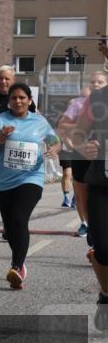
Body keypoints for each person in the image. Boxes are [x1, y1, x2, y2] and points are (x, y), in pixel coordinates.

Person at [0, 84, 61, 289]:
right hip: (2, 182)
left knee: (19, 219)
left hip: (31, 178)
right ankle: (20, 262)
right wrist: (0, 139)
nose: (18, 101)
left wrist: (54, 148)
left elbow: (56, 140)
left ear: (29, 100)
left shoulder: (40, 121)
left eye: (22, 98)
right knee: (10, 227)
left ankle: (17, 267)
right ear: (9, 101)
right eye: (14, 98)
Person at [60, 40, 108, 331]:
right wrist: (84, 147)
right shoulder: (99, 99)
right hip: (103, 183)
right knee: (103, 248)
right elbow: (77, 133)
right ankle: (105, 294)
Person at [60, 72, 108, 240]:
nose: (95, 84)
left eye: (99, 82)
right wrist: (80, 136)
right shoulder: (80, 102)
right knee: (82, 191)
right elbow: (63, 126)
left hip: (101, 154)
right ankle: (87, 223)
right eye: (92, 81)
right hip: (84, 152)